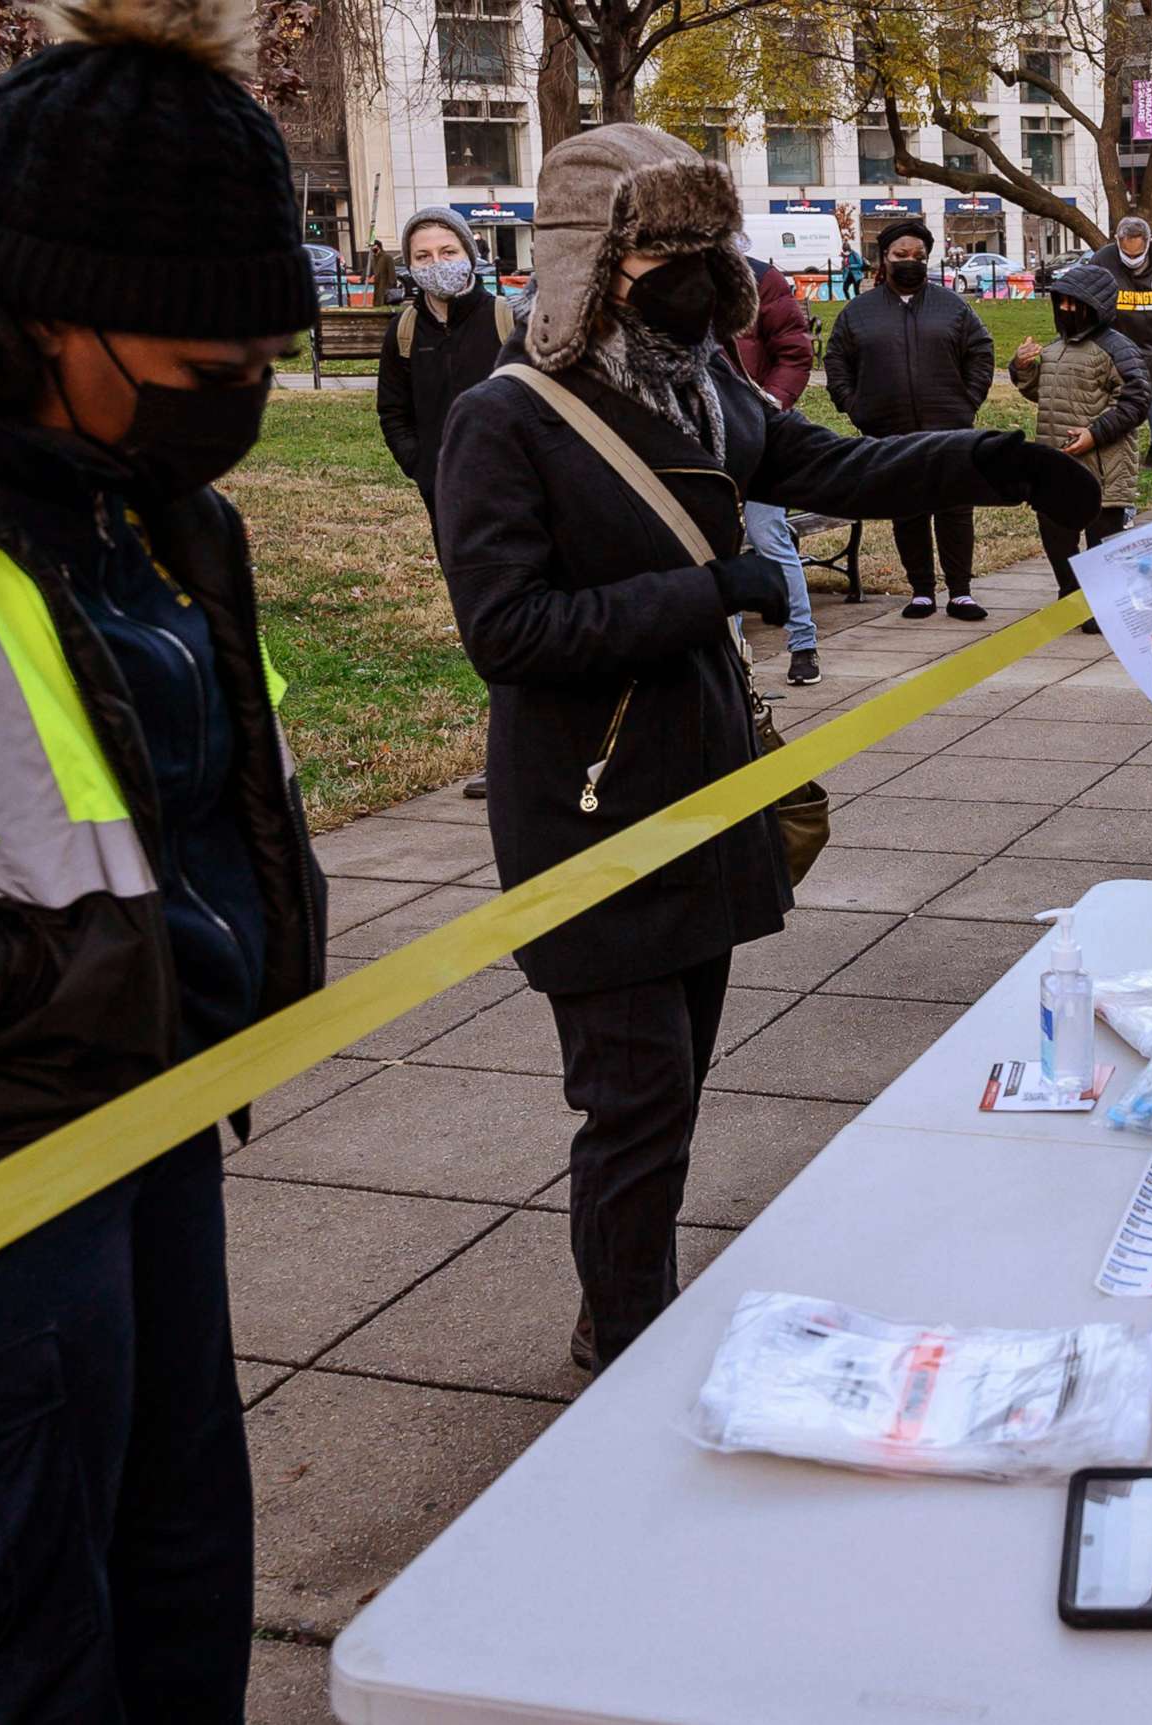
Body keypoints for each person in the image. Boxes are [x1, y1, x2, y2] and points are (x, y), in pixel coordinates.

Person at [432, 124, 1096, 1373]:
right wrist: (713, 589)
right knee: (630, 1105)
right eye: (658, 248)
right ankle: (625, 1339)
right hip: (594, 811)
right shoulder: (504, 419)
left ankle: (636, 1301)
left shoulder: (704, 387)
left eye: (703, 243)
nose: (691, 273)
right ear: (592, 261)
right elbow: (507, 631)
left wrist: (995, 461)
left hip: (707, 785)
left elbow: (834, 464)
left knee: (673, 1093)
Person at [0, 3, 328, 1714]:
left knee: (180, 1560)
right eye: (200, 376)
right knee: (20, 1625)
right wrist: (74, 988)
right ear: (34, 313)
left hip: (156, 1113)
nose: (233, 410)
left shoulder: (154, 509)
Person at [823, 216, 995, 620]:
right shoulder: (858, 313)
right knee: (908, 507)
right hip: (889, 428)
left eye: (918, 256)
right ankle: (920, 589)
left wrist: (967, 401)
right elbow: (836, 361)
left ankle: (960, 592)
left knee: (954, 507)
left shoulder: (952, 306)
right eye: (901, 255)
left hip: (949, 426)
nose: (910, 262)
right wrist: (854, 405)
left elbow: (981, 352)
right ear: (884, 258)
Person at [1009, 260, 1151, 634]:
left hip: (1104, 466)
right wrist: (1023, 368)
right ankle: (1071, 596)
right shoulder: (1056, 349)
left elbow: (1135, 402)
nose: (1068, 310)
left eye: (1076, 304)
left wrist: (1095, 433)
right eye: (1063, 303)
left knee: (1101, 541)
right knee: (1055, 533)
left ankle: (1101, 606)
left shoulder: (1119, 350)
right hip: (1057, 465)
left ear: (1097, 307)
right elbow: (1041, 392)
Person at [725, 244, 822, 685]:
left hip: (758, 434)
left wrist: (767, 406)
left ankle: (802, 643)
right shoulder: (672, 276)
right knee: (714, 549)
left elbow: (794, 354)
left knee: (769, 537)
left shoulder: (762, 278)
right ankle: (733, 657)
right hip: (699, 440)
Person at [377, 206, 509, 515]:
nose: (437, 263)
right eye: (423, 256)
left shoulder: (507, 321)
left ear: (468, 255)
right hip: (441, 486)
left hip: (513, 483)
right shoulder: (403, 332)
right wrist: (420, 466)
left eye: (448, 251)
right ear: (410, 264)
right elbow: (393, 410)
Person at [1088, 214, 1152, 516]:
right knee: (1121, 442)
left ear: (1150, 243)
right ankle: (1122, 507)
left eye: (1138, 254)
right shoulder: (1102, 261)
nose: (1133, 260)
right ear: (1116, 241)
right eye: (1127, 254)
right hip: (1119, 363)